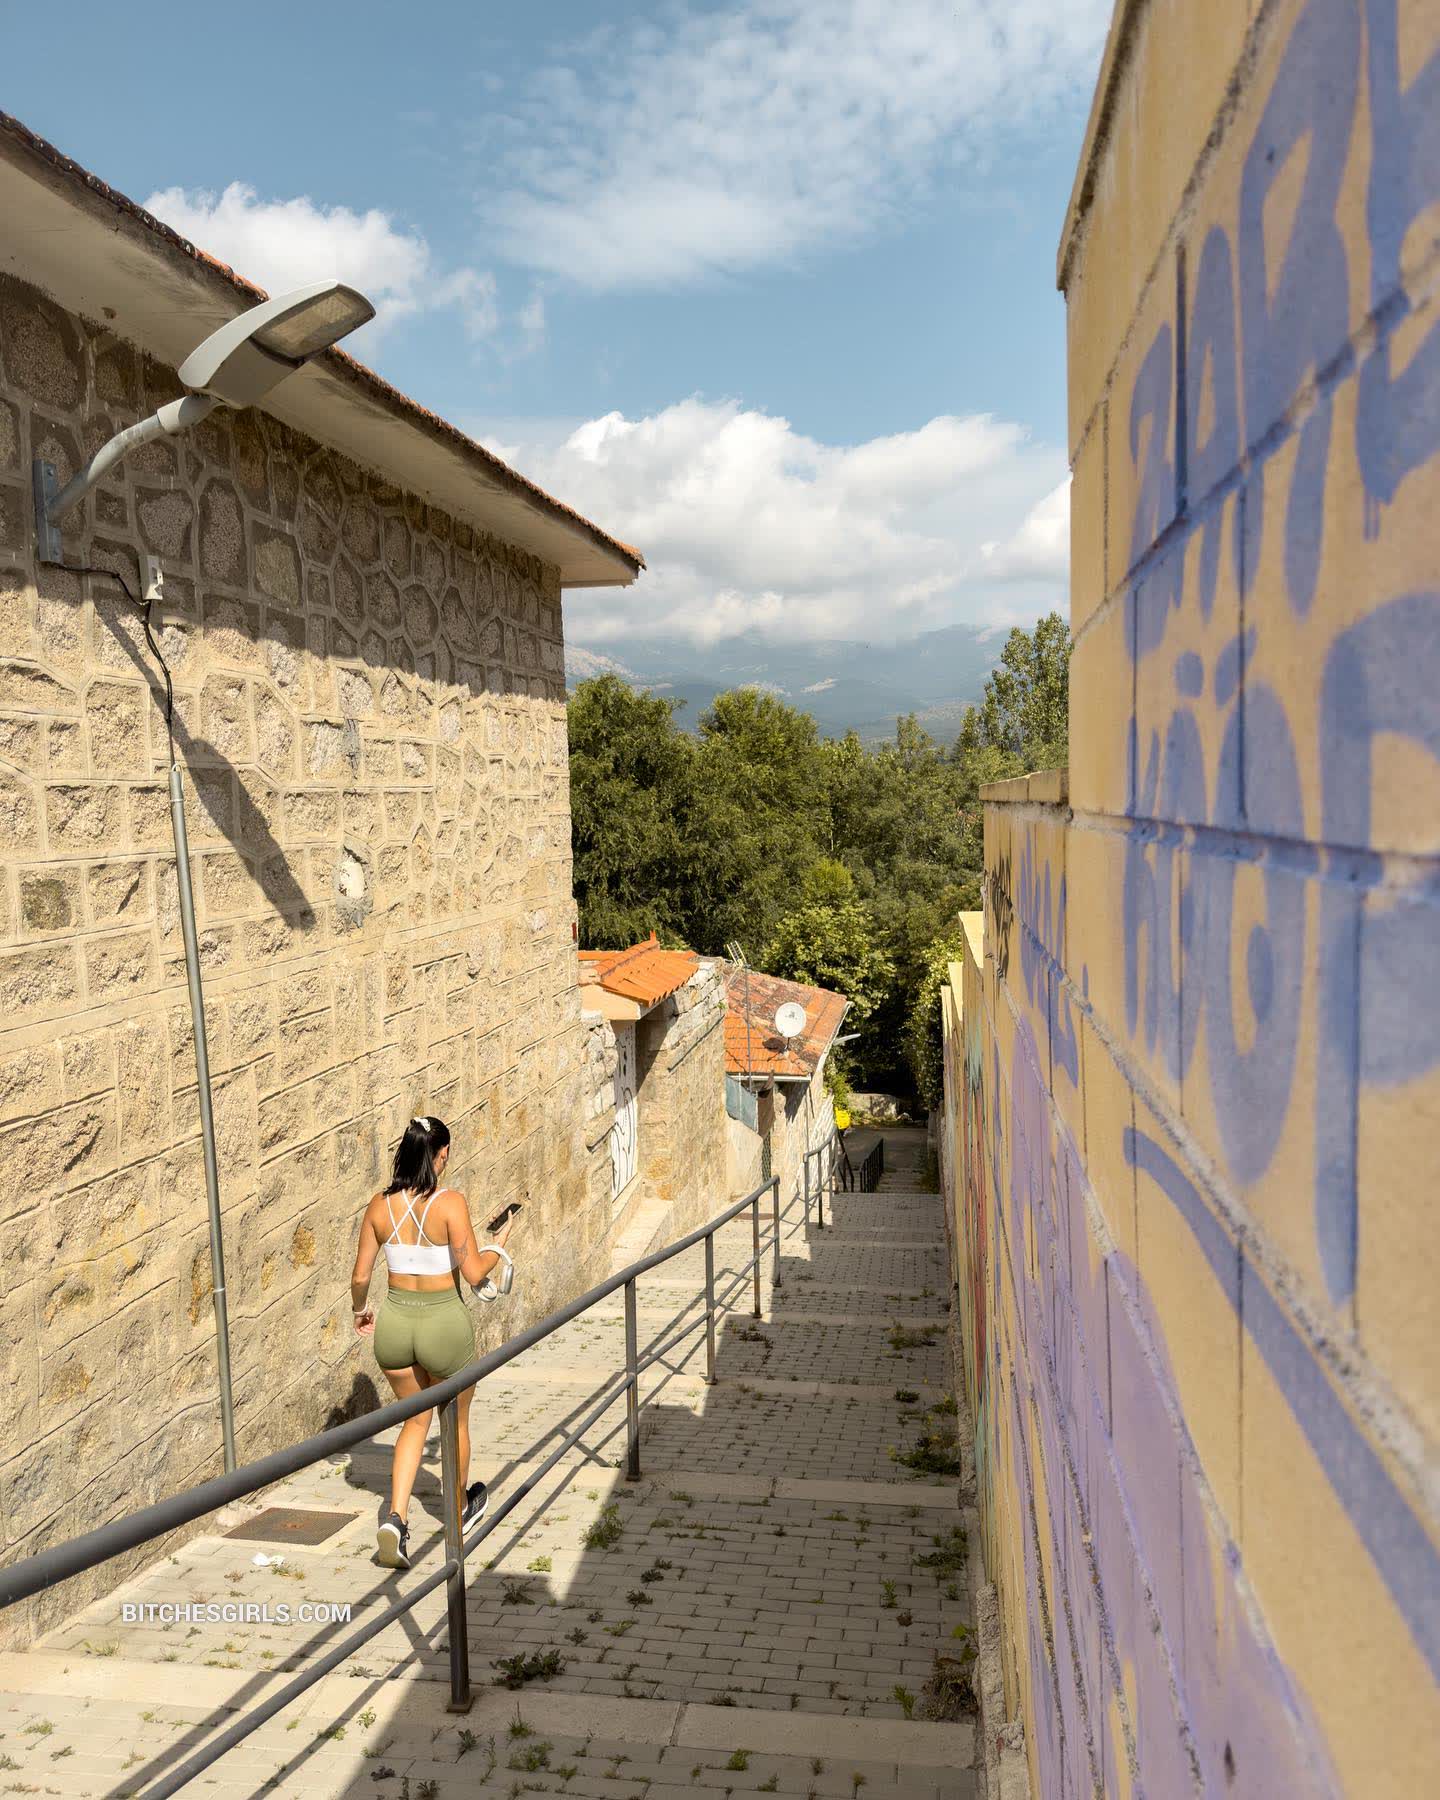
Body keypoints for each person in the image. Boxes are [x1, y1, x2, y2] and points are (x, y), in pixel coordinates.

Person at [350, 1114, 516, 1568]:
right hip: (442, 1323)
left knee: (414, 1421)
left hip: (395, 1326)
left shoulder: (378, 1206)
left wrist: (360, 1311)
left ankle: (396, 1519)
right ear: (440, 1155)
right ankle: (458, 1509)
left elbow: (360, 1276)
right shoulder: (449, 1203)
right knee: (455, 1421)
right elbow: (474, 1272)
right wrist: (499, 1244)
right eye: (446, 1154)